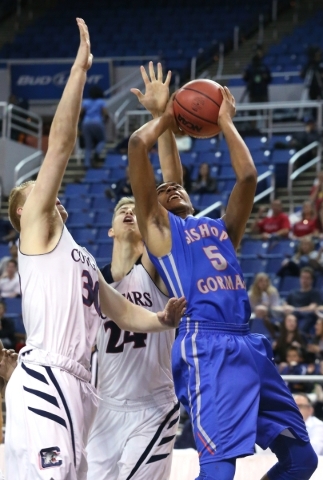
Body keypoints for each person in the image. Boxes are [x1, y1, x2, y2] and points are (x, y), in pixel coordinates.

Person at [6, 21, 185, 480]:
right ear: (24, 209)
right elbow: (61, 147)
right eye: (39, 192)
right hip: (53, 376)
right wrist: (80, 70)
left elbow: (122, 311)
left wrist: (162, 320)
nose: (52, 195)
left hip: (86, 390)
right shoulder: (36, 234)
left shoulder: (82, 262)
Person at [128, 87, 317, 480]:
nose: (171, 187)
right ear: (153, 212)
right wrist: (167, 118)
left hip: (248, 344)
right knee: (218, 473)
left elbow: (247, 176)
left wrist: (225, 122)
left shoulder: (221, 230)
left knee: (302, 461)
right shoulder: (163, 234)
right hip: (206, 345)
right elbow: (136, 144)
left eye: (176, 185)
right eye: (162, 190)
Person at [87, 62, 183, 480]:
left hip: (152, 408)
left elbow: (171, 186)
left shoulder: (155, 268)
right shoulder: (89, 277)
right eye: (121, 209)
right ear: (110, 228)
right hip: (101, 409)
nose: (130, 209)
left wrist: (160, 120)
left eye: (135, 208)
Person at [273, 266, 322, 334]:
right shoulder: (293, 292)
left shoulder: (315, 293)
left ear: (311, 280)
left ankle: (300, 334)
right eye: (303, 277)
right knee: (270, 311)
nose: (304, 280)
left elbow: (312, 308)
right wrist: (286, 308)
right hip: (290, 313)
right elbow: (285, 304)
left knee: (310, 315)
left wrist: (295, 309)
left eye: (307, 278)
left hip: (303, 314)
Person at [80, 85, 109, 168]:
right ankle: (97, 151)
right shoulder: (101, 102)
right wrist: (105, 121)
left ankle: (87, 163)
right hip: (97, 122)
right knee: (102, 140)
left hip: (86, 122)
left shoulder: (85, 102)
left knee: (88, 145)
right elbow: (105, 113)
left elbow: (81, 113)